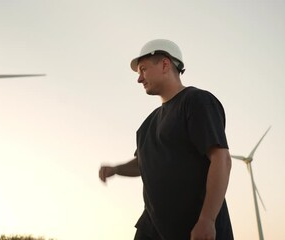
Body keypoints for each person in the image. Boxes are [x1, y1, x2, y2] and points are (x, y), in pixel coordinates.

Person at [99, 39, 234, 240]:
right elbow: (142, 164)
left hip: (195, 228)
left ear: (165, 64)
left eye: (143, 69)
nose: (139, 79)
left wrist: (207, 219)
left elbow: (221, 159)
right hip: (152, 228)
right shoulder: (146, 125)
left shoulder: (196, 101)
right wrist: (116, 169)